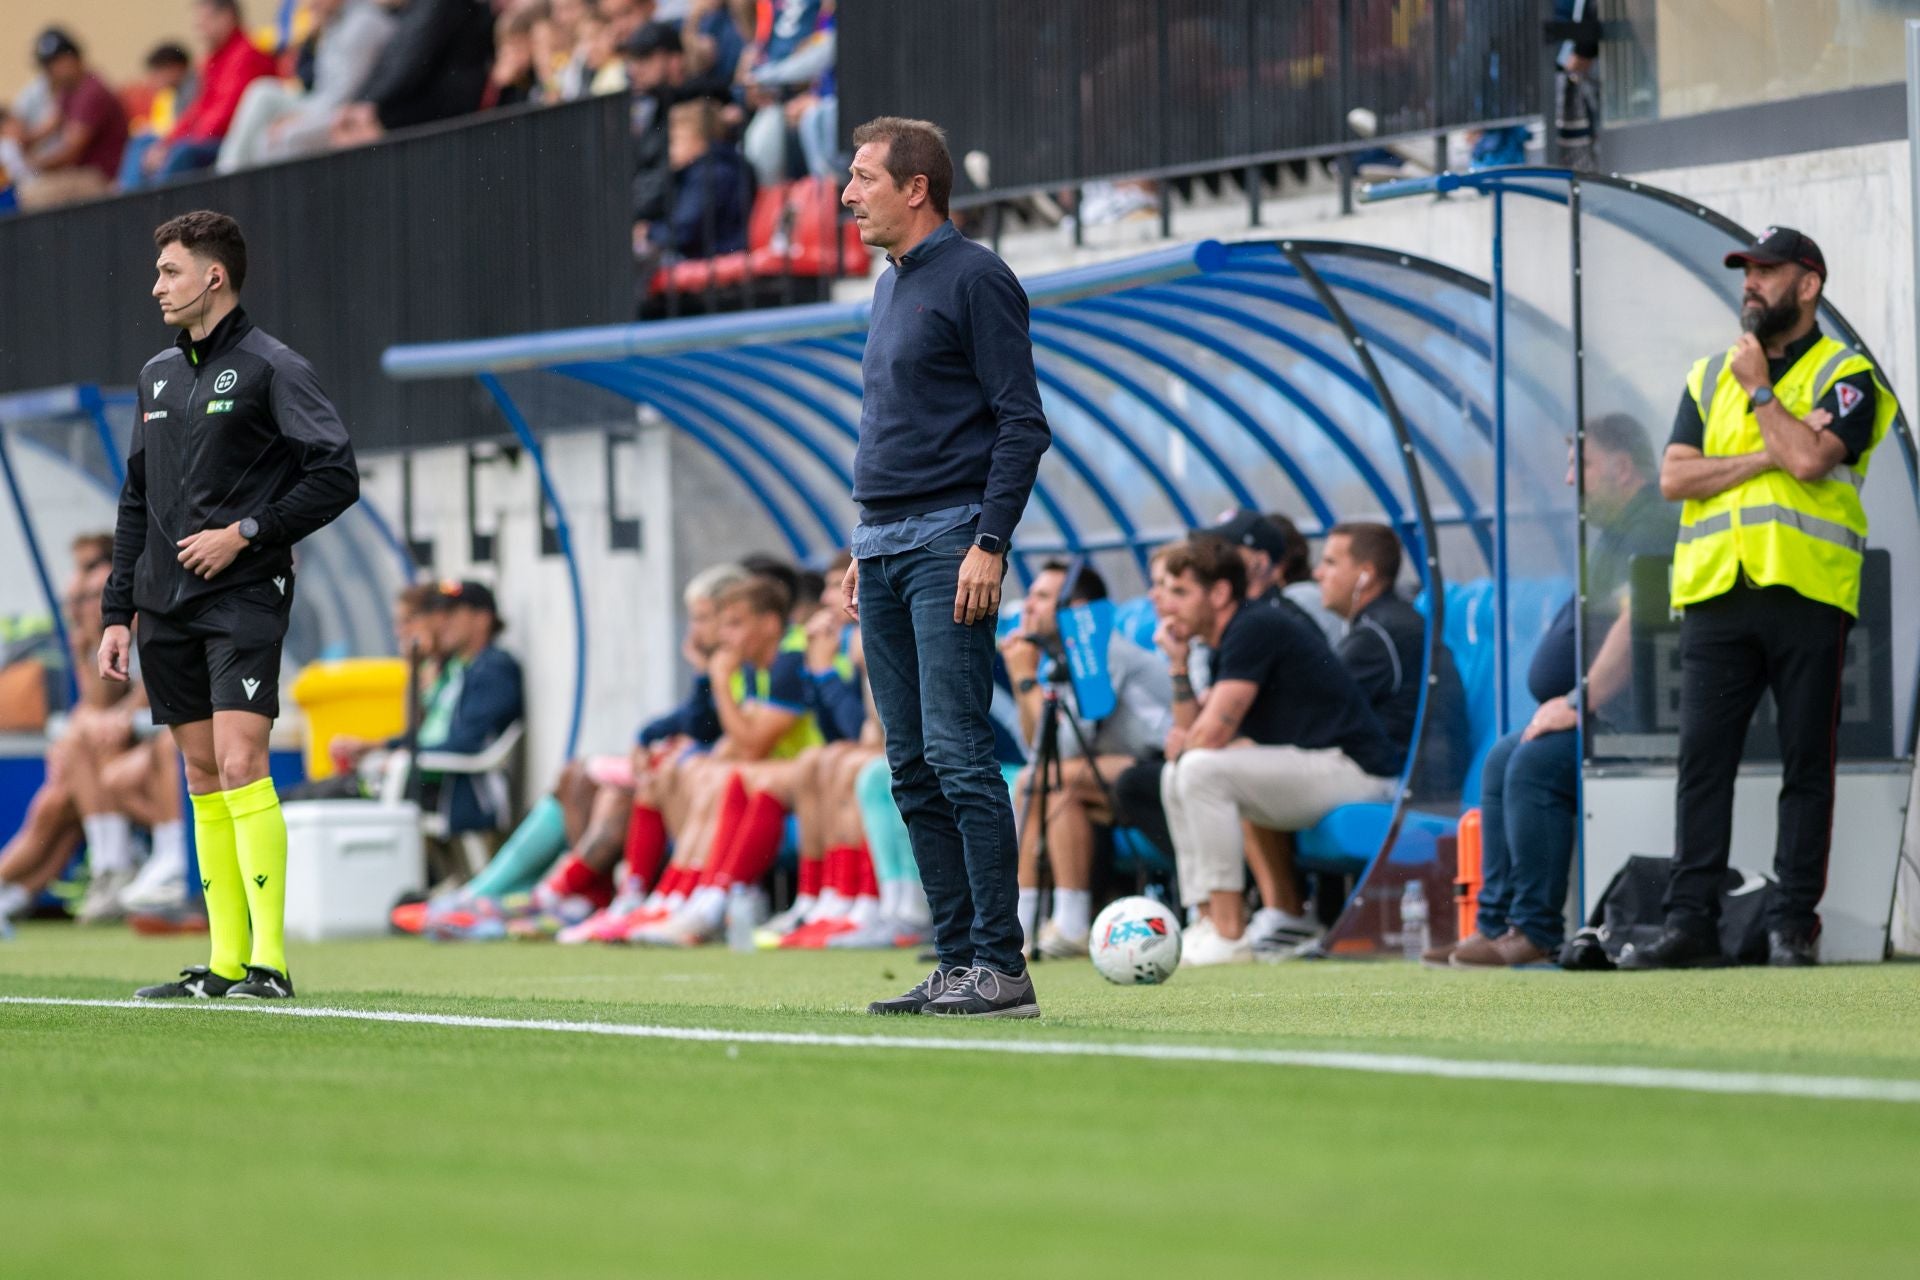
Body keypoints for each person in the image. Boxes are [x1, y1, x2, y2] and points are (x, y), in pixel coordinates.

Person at [101, 209, 359, 1000]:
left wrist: (246, 532)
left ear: (214, 276)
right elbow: (136, 499)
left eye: (169, 272)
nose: (157, 288)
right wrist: (118, 610)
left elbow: (336, 473)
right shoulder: (156, 375)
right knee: (203, 771)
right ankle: (220, 966)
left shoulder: (274, 368)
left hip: (243, 593)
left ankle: (270, 964)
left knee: (243, 761)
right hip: (165, 605)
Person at [1623, 226, 1895, 969]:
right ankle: (1689, 925)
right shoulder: (1708, 374)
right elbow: (1675, 478)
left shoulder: (1848, 376)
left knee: (1808, 764)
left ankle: (1790, 924)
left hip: (1807, 593)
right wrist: (1765, 448)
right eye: (1747, 272)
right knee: (1701, 763)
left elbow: (1811, 460)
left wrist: (1760, 396)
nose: (1751, 284)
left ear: (1808, 285)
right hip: (1716, 593)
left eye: (1767, 272)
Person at [840, 116, 1051, 1018]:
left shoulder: (977, 276)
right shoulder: (888, 290)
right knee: (911, 768)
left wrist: (990, 543)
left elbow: (1022, 423)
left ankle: (1002, 967)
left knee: (963, 757)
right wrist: (859, 543)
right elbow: (895, 432)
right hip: (883, 545)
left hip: (948, 545)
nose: (848, 194)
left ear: (915, 186)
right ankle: (959, 959)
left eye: (862, 177)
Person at [1434, 415, 1676, 969]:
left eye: (1579, 465)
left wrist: (1576, 702)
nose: (1569, 480)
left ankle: (1536, 929)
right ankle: (1494, 925)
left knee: (1535, 764)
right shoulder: (1614, 535)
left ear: (1620, 468)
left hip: (1645, 724)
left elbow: (1635, 627)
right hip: (1609, 713)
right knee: (1502, 757)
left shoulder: (1653, 526)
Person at [1154, 535, 1401, 966]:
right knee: (1178, 773)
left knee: (1198, 770)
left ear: (1219, 592)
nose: (1166, 604)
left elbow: (1204, 737)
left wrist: (1189, 741)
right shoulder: (1222, 640)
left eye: (1180, 592)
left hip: (1357, 770)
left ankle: (1230, 934)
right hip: (1316, 766)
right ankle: (1207, 922)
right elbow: (1190, 736)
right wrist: (1177, 664)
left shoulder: (1255, 626)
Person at [1002, 560, 1171, 958]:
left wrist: (1025, 680)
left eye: (1042, 597)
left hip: (1159, 768)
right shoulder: (1060, 656)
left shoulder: (1103, 648)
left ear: (1075, 607)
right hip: (1105, 776)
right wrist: (1025, 679)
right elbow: (1039, 749)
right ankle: (1032, 927)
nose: (1028, 607)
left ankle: (1064, 924)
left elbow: (1063, 752)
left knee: (1042, 779)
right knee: (1048, 786)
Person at [1313, 521, 1471, 799]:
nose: (1318, 573)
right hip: (1424, 776)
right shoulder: (1387, 622)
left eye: (1330, 563)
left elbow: (1319, 711)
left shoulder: (1377, 636)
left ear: (1366, 575)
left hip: (1414, 786)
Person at [216, 0, 397, 172]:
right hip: (322, 102)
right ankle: (226, 173)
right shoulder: (332, 22)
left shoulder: (362, 24)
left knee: (281, 137)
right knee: (263, 93)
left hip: (349, 111)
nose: (310, 3)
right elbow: (310, 79)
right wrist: (311, 39)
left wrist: (296, 119)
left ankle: (242, 188)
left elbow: (344, 96)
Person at [140, 0, 278, 183]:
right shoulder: (213, 60)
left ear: (226, 17)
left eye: (204, 20)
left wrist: (179, 144)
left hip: (229, 142)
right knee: (144, 145)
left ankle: (157, 210)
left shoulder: (246, 56)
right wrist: (166, 144)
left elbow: (227, 115)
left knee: (182, 153)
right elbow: (198, 109)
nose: (199, 28)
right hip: (209, 138)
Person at [13, 29, 128, 210]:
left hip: (104, 178)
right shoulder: (69, 90)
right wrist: (16, 142)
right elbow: (46, 128)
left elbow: (69, 152)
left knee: (25, 195)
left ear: (69, 59)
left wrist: (31, 166)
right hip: (82, 173)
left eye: (51, 66)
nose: (48, 74)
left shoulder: (91, 92)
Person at [1199, 509, 1342, 644]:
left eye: (1225, 551)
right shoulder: (1248, 615)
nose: (1215, 559)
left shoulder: (1275, 622)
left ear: (1260, 563)